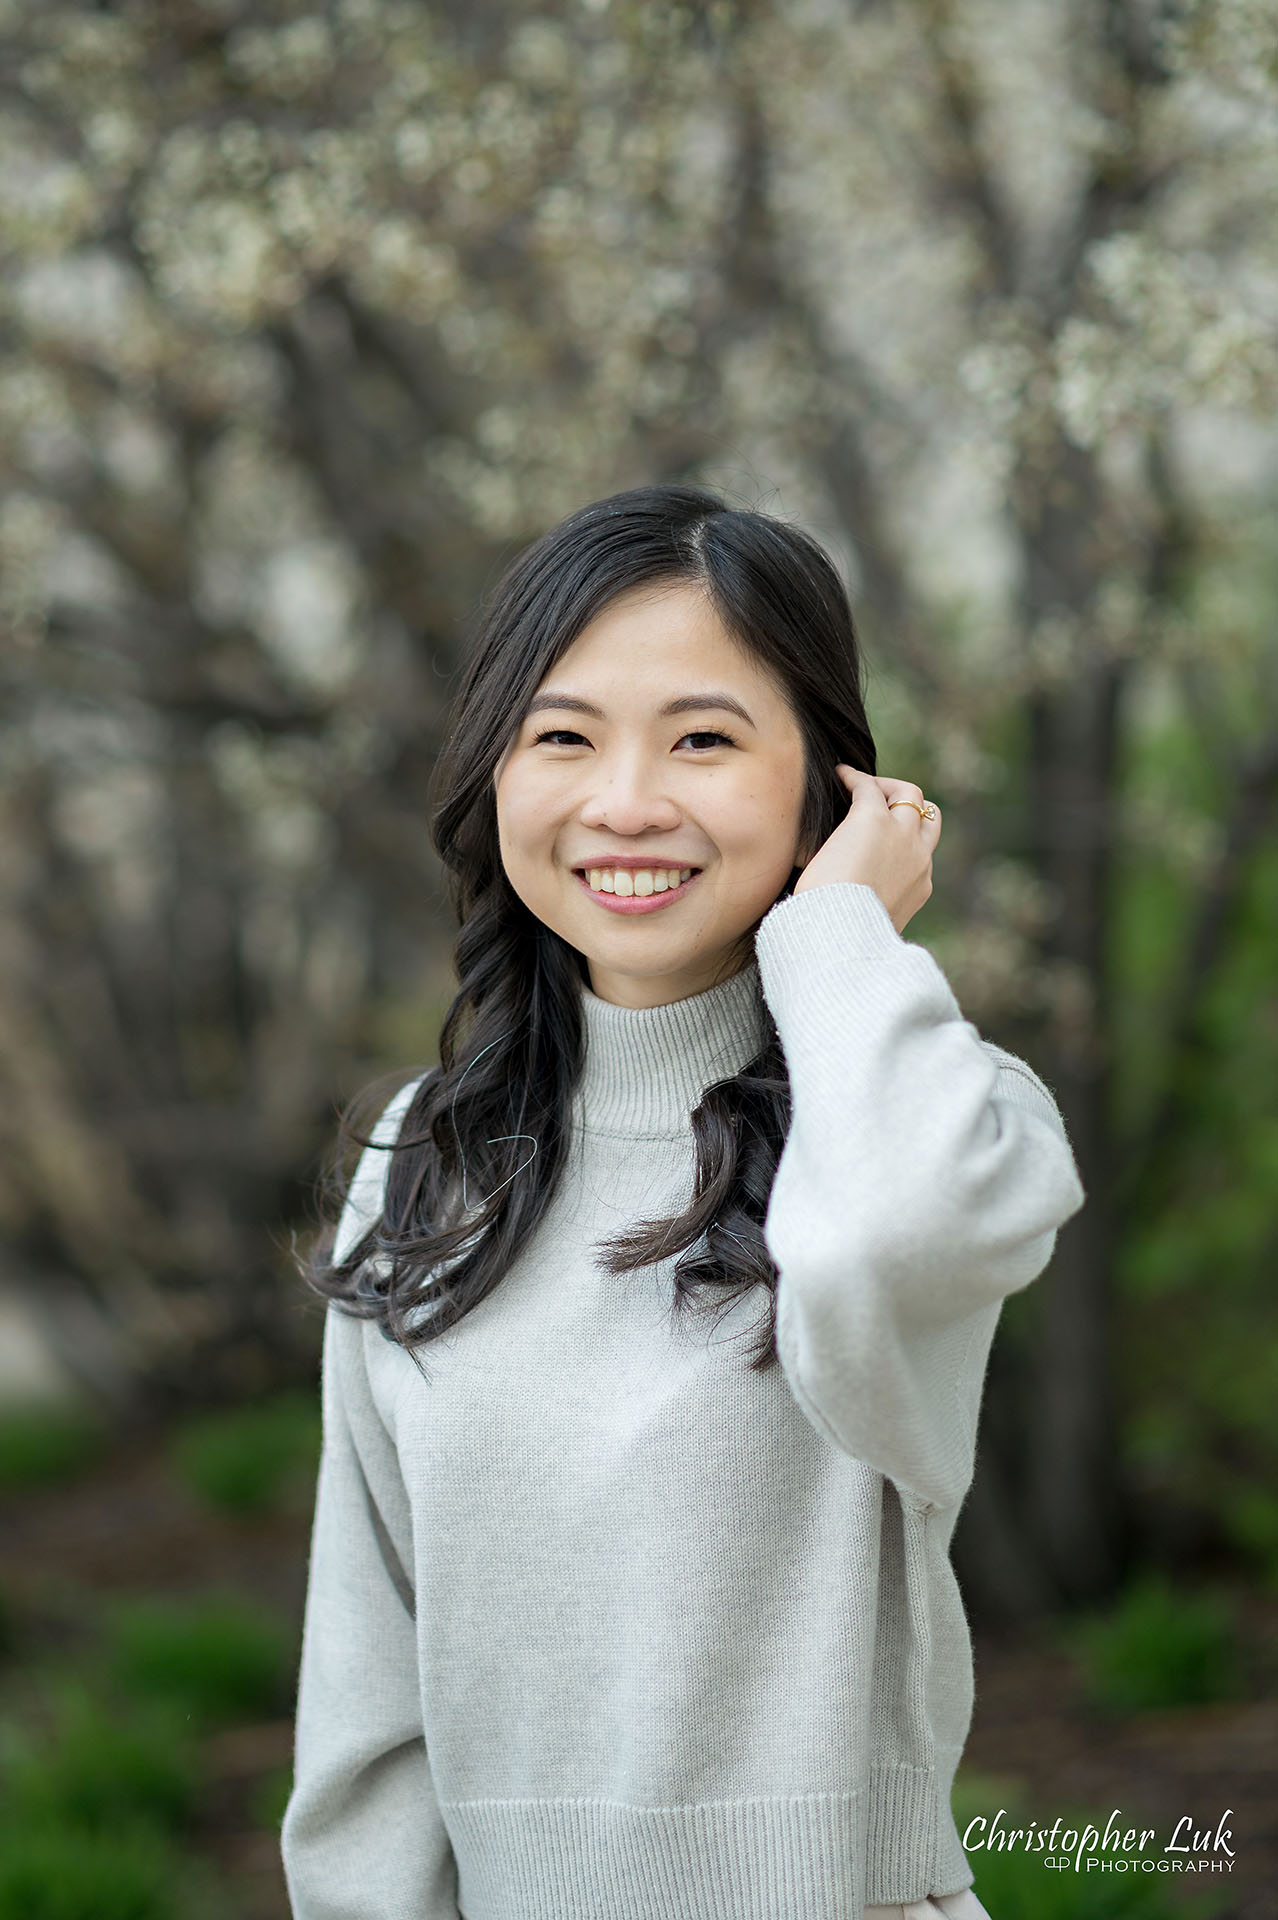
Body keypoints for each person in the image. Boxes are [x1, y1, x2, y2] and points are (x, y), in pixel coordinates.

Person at [280, 484, 1086, 1920]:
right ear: (495, 772)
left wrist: (834, 932)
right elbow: (367, 1676)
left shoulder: (941, 1116)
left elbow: (886, 1235)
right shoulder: (432, 1155)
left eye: (704, 739)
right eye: (563, 737)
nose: (626, 802)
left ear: (825, 790)